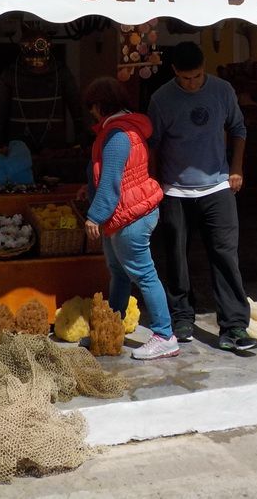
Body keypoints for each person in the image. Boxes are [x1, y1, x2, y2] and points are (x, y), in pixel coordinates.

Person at [147, 42, 257, 353]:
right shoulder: (161, 99)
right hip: (174, 190)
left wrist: (236, 169)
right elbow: (153, 144)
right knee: (176, 256)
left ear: (204, 68)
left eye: (196, 77)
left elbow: (238, 129)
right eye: (185, 78)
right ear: (174, 73)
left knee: (225, 256)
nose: (191, 83)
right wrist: (156, 184)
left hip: (218, 187)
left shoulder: (222, 91)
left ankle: (234, 326)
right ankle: (181, 317)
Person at [80, 77, 178, 361]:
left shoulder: (116, 136)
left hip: (129, 215)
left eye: (92, 108)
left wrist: (93, 217)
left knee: (145, 275)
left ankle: (164, 335)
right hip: (129, 212)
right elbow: (115, 176)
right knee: (120, 273)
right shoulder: (127, 129)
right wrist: (89, 188)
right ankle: (112, 328)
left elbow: (112, 184)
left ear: (99, 106)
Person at [0, 27, 85, 153]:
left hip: (43, 143)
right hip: (28, 142)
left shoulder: (60, 72)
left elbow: (76, 106)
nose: (37, 62)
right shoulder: (11, 74)